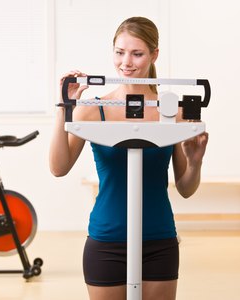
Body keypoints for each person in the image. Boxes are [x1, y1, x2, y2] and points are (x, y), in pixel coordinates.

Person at [49, 16, 209, 300]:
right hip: (107, 239)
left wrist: (195, 161)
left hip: (158, 239)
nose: (127, 62)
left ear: (153, 55)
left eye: (137, 54)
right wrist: (65, 106)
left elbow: (185, 189)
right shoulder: (92, 109)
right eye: (120, 52)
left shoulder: (173, 111)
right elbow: (59, 167)